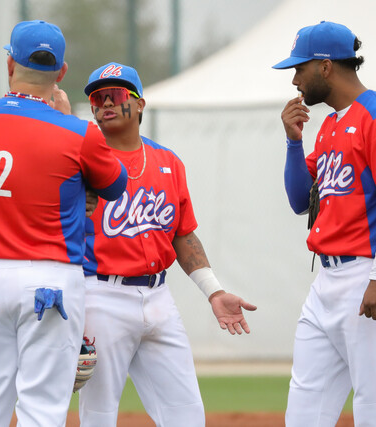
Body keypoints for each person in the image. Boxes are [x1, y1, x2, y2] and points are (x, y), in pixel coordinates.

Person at [0, 20, 127, 426]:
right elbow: (115, 185)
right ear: (62, 73)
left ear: (10, 63)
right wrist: (68, 123)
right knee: (42, 411)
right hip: (51, 282)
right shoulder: (78, 132)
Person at [78, 62, 257, 427]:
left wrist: (214, 291)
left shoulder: (168, 162)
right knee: (99, 416)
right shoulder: (81, 162)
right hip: (101, 296)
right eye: (97, 98)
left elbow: (182, 233)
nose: (105, 103)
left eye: (115, 94)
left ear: (139, 103)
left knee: (187, 415)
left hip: (159, 298)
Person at [273, 21, 376, 427]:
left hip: (368, 275)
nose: (295, 80)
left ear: (325, 67)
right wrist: (292, 140)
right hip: (327, 284)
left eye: (299, 69)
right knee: (304, 415)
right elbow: (301, 201)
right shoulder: (333, 125)